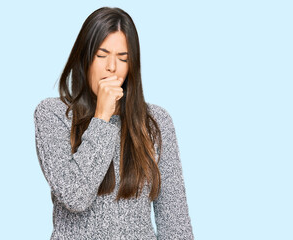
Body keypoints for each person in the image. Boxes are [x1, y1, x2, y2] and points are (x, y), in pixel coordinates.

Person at [33, 6, 194, 239]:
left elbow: (175, 223)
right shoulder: (53, 114)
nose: (112, 67)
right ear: (84, 57)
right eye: (102, 55)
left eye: (122, 58)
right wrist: (102, 117)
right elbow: (74, 197)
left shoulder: (155, 123)